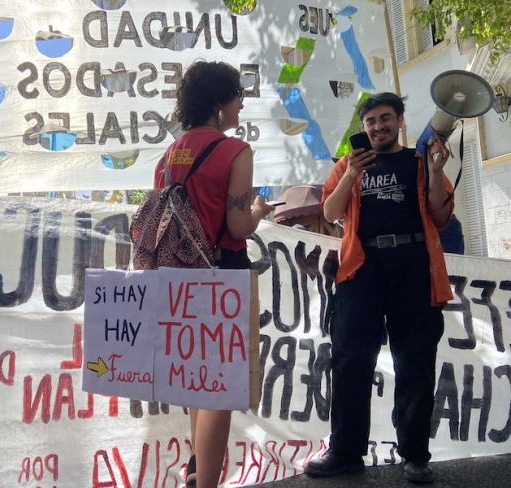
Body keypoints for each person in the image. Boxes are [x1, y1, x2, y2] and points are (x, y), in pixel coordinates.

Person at [304, 93, 453, 484]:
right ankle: (345, 451)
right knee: (351, 359)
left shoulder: (419, 163)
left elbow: (440, 215)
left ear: (400, 121)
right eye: (370, 121)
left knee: (415, 362)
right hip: (362, 269)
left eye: (385, 119)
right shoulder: (346, 165)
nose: (377, 127)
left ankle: (415, 455)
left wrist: (437, 171)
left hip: (413, 268)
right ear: (363, 127)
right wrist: (352, 174)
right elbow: (331, 213)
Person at [154, 61, 274, 488]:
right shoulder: (235, 151)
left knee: (193, 378)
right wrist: (258, 210)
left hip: (175, 278)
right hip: (222, 271)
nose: (241, 106)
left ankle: (195, 470)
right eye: (237, 97)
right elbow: (239, 226)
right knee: (219, 384)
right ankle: (206, 481)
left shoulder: (168, 156)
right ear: (220, 103)